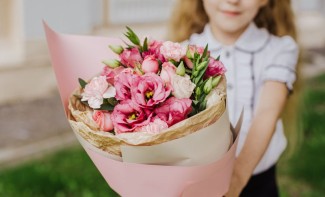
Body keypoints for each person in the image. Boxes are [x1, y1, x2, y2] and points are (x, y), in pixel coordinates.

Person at [168, 0, 300, 196]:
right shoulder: (180, 53)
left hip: (257, 182)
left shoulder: (279, 49)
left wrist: (236, 181)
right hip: (197, 182)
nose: (232, 1)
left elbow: (267, 113)